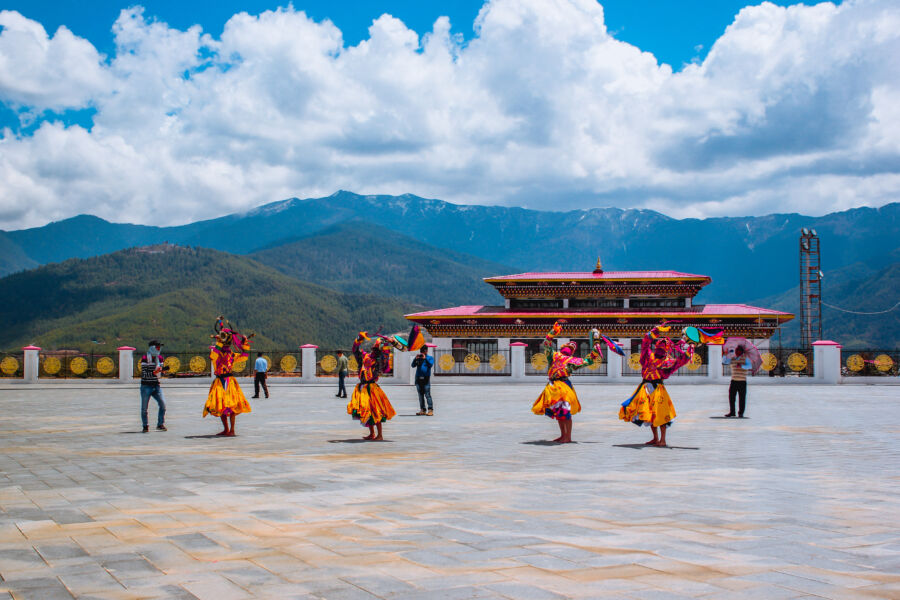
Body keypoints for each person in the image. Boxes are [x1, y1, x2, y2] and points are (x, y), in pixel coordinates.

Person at [619, 325, 695, 447]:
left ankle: (663, 440)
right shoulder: (648, 356)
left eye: (664, 346)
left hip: (658, 389)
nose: (661, 347)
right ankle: (655, 438)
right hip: (645, 387)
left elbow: (681, 361)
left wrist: (689, 351)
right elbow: (645, 343)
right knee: (650, 414)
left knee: (660, 414)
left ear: (667, 349)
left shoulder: (668, 361)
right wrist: (655, 331)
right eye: (660, 344)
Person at [531, 323, 602, 443]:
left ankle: (568, 436)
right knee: (559, 412)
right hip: (554, 385)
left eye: (571, 347)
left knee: (565, 411)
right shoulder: (555, 356)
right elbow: (589, 360)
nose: (569, 347)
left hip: (563, 386)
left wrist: (552, 332)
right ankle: (563, 435)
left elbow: (547, 343)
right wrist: (596, 347)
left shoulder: (564, 358)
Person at [203, 316, 253, 436]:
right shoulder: (217, 353)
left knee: (231, 406)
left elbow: (244, 357)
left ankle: (232, 430)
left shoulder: (231, 354)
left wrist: (244, 344)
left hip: (229, 381)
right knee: (222, 406)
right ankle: (226, 429)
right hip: (220, 381)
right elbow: (212, 357)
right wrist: (219, 343)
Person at [347, 332, 396, 440]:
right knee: (366, 410)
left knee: (375, 410)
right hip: (363, 387)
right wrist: (359, 339)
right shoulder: (364, 356)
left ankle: (380, 435)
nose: (374, 348)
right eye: (374, 347)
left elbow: (386, 357)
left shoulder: (379, 361)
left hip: (372, 389)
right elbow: (355, 350)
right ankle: (372, 433)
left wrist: (388, 343)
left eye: (376, 348)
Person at [139, 340, 168, 432]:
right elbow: (144, 374)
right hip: (146, 386)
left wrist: (162, 371)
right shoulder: (145, 358)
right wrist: (154, 372)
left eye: (159, 347)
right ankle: (145, 426)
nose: (159, 349)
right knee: (144, 408)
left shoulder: (160, 358)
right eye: (157, 347)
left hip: (156, 385)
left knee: (163, 405)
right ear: (152, 347)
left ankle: (160, 424)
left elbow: (159, 372)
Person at [723, 345, 751, 417]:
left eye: (738, 350)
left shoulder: (745, 359)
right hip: (734, 380)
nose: (736, 351)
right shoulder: (732, 358)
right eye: (736, 350)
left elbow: (749, 366)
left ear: (741, 351)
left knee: (742, 398)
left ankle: (741, 413)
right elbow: (725, 362)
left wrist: (741, 366)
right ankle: (732, 412)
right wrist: (725, 354)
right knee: (731, 397)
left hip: (742, 381)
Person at [411, 345, 435, 415]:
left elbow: (430, 365)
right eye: (421, 351)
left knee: (427, 395)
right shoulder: (418, 358)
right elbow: (413, 365)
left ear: (426, 351)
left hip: (426, 379)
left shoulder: (430, 358)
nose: (422, 353)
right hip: (418, 378)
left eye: (424, 351)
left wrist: (425, 359)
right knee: (420, 395)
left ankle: (430, 410)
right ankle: (423, 410)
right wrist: (415, 359)